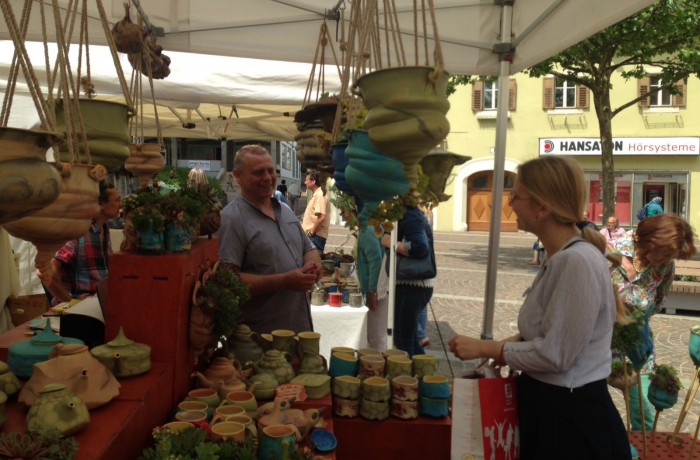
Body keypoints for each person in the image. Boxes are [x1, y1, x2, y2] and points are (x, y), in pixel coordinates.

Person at [448, 156, 631, 460]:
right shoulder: (561, 257)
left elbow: (555, 354)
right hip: (553, 410)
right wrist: (508, 345)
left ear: (542, 207)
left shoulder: (576, 261)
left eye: (516, 196)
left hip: (572, 423)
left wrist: (488, 348)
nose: (510, 204)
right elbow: (550, 331)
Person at [217, 145, 323, 334]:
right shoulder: (231, 219)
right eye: (258, 172)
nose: (267, 177)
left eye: (270, 170)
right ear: (237, 176)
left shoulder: (286, 210)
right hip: (260, 342)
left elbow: (309, 248)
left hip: (299, 330)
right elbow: (228, 282)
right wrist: (285, 281)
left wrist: (313, 265)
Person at [610, 214, 696, 431]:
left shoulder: (665, 267)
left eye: (673, 256)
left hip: (637, 346)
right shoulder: (611, 249)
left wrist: (635, 319)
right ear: (650, 241)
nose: (669, 260)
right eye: (667, 253)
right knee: (588, 408)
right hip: (595, 345)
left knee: (645, 414)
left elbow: (657, 304)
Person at [42, 182, 121, 305]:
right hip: (84, 305)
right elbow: (46, 271)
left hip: (103, 300)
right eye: (117, 200)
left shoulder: (104, 228)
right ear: (101, 204)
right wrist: (69, 302)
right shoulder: (79, 231)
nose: (120, 204)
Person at [380, 202, 436, 357]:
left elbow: (420, 247)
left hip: (413, 285)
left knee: (404, 341)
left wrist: (391, 243)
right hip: (410, 285)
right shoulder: (409, 215)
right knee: (406, 340)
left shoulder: (410, 216)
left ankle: (414, 378)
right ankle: (423, 373)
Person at [302, 171, 330, 253]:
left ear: (313, 181)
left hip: (315, 237)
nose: (305, 182)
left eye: (306, 180)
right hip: (313, 236)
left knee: (313, 262)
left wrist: (311, 232)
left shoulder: (320, 194)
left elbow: (322, 217)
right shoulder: (317, 193)